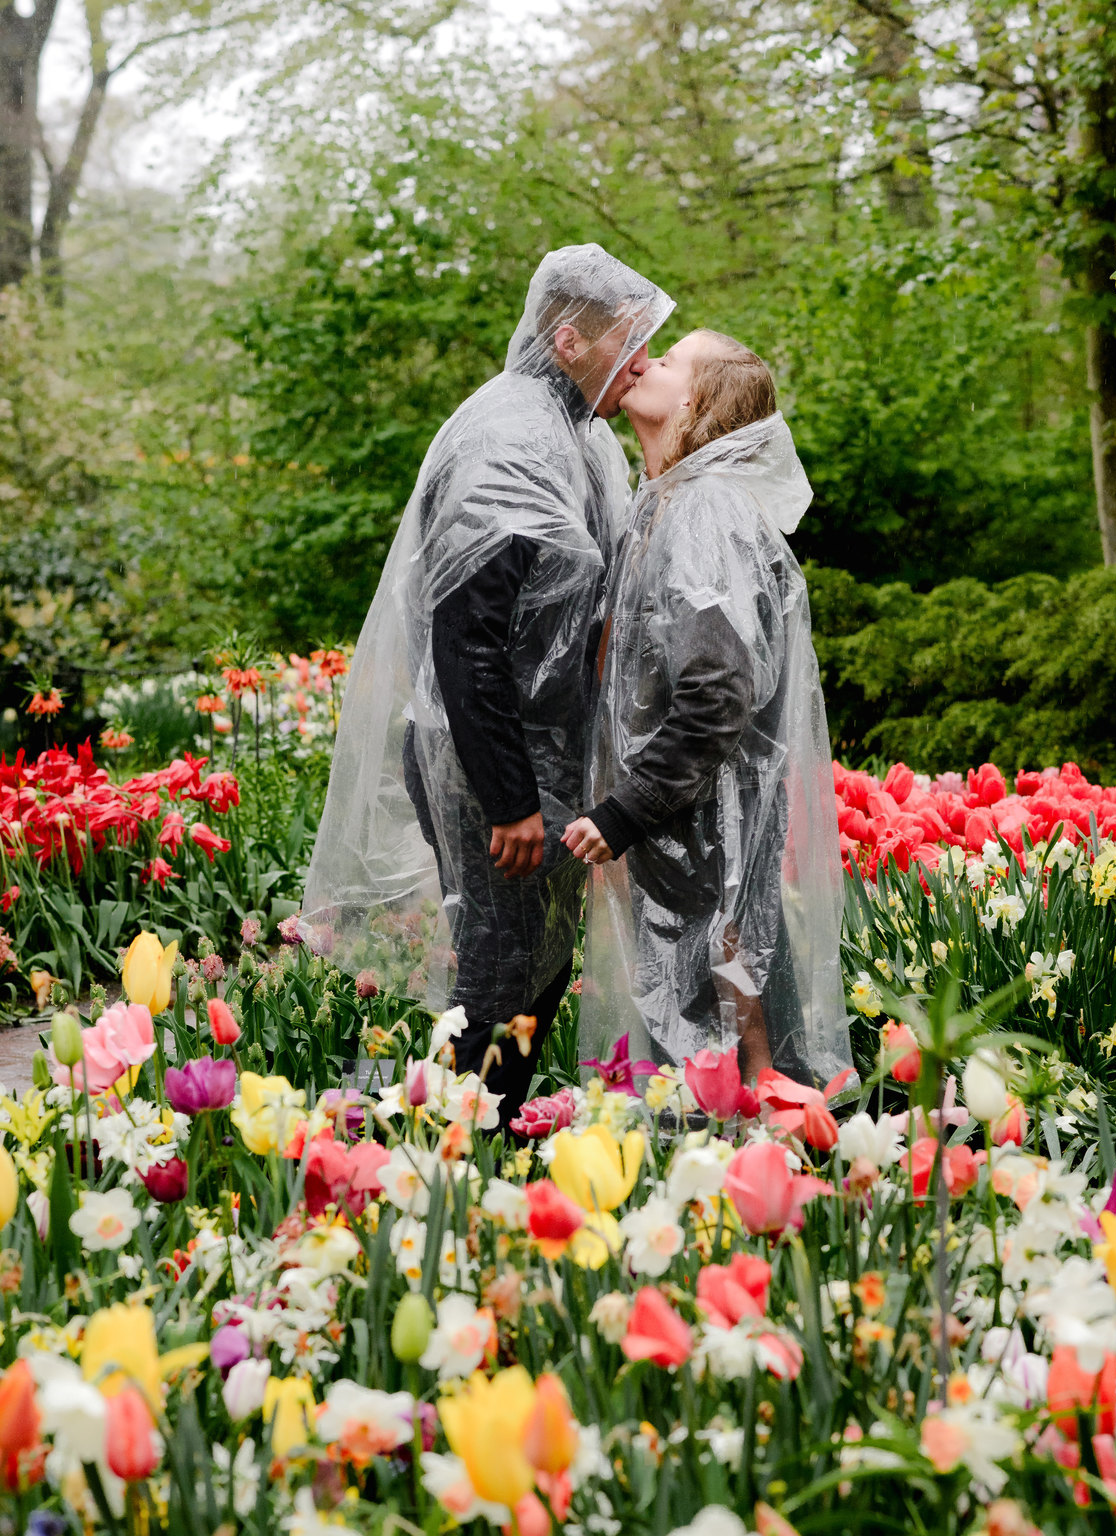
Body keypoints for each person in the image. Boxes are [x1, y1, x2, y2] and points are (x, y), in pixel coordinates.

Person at [301, 245, 674, 1124]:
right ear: (572, 338)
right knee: (500, 975)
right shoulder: (509, 440)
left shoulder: (570, 432)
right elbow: (465, 639)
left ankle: (474, 1146)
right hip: (490, 767)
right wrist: (509, 799)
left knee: (529, 973)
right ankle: (443, 1157)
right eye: (632, 340)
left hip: (532, 759)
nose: (646, 361)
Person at [564, 329, 851, 1087]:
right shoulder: (665, 502)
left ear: (694, 400)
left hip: (694, 842)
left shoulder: (704, 511)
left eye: (667, 361)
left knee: (718, 1077)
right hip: (675, 851)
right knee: (692, 1075)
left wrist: (625, 810)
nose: (644, 361)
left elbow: (719, 692)